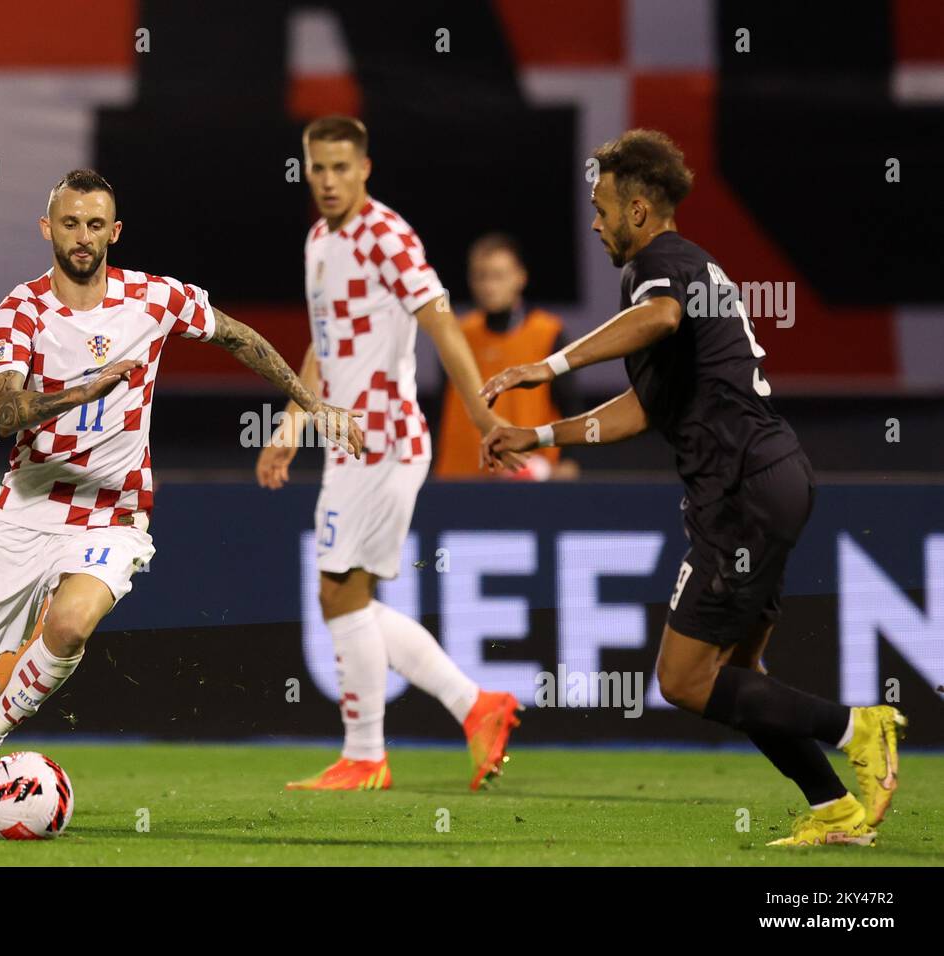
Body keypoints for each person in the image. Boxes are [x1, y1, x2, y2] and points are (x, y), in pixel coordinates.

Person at [480, 129, 905, 847]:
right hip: (772, 476)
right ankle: (835, 810)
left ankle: (860, 727)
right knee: (739, 671)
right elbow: (645, 409)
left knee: (682, 680)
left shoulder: (663, 265)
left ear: (639, 211)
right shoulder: (682, 270)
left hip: (740, 485)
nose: (594, 221)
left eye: (602, 207)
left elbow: (661, 316)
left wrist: (547, 368)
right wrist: (541, 435)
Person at [0, 169, 364, 825]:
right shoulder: (22, 308)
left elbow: (238, 335)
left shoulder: (154, 298)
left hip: (114, 512)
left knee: (71, 624)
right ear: (48, 228)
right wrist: (84, 391)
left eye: (95, 224)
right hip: (27, 508)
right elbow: (6, 412)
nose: (82, 237)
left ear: (115, 231)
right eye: (69, 223)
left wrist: (311, 404)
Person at [256, 116, 525, 792]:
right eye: (317, 167)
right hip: (347, 445)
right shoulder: (319, 241)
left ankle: (366, 755)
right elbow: (324, 347)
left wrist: (482, 412)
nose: (327, 180)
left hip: (384, 438)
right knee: (349, 596)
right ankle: (475, 705)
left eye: (341, 167)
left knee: (336, 590)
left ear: (365, 168)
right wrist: (291, 426)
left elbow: (439, 320)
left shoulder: (388, 235)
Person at [435, 233, 579, 480]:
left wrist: (570, 461)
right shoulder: (456, 336)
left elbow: (570, 406)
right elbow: (439, 410)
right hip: (462, 479)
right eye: (481, 276)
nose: (489, 286)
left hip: (530, 480)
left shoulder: (548, 333)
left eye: (499, 276)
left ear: (520, 278)